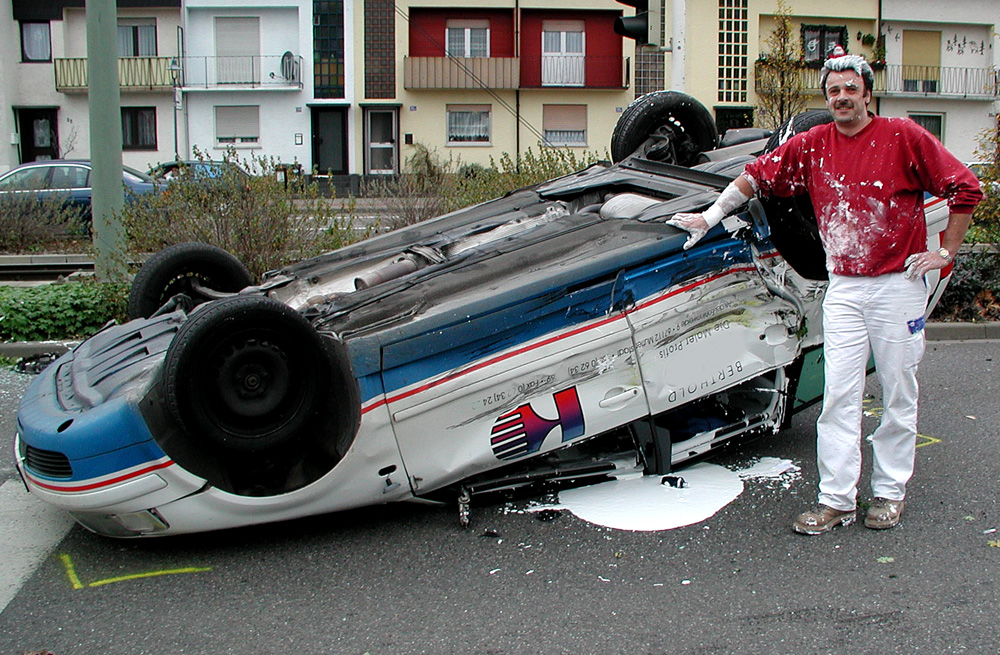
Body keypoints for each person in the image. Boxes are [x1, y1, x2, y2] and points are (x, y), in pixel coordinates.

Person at [666, 53, 982, 535]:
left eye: (849, 89)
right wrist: (710, 217)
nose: (841, 97)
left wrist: (947, 252)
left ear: (867, 94)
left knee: (899, 392)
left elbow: (965, 188)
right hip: (846, 289)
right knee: (839, 396)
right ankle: (837, 500)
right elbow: (758, 175)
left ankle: (889, 493)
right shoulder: (814, 144)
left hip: (898, 287)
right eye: (833, 90)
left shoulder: (903, 137)